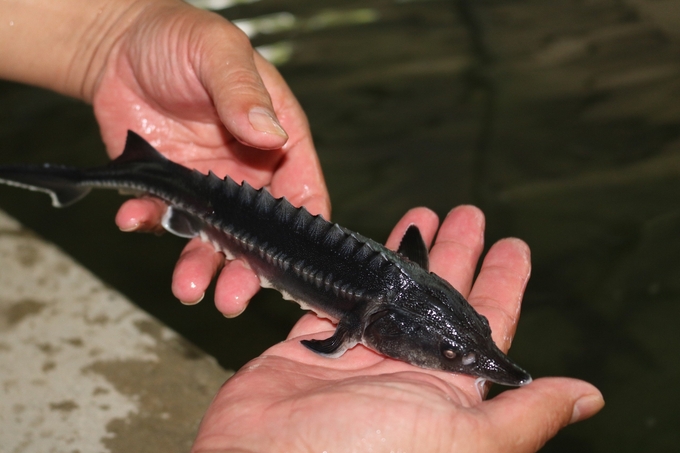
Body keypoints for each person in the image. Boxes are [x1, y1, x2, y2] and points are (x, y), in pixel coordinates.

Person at [0, 0, 604, 451]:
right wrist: (337, 343)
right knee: (170, 199)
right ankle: (93, 178)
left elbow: (407, 274)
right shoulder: (361, 318)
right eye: (454, 350)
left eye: (467, 337)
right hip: (202, 196)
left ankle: (125, 177)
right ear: (366, 328)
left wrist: (113, 38)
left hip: (219, 203)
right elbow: (347, 327)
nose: (482, 360)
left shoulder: (396, 290)